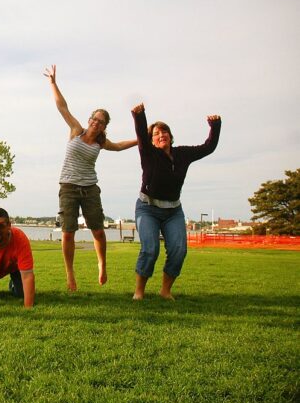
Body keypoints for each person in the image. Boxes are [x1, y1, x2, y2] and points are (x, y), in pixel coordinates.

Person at [44, 65, 137, 291]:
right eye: (94, 118)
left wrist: (140, 140)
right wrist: (53, 83)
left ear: (105, 126)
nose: (96, 122)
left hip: (90, 188)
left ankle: (102, 264)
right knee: (68, 232)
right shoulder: (76, 130)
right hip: (68, 187)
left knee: (98, 230)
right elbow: (62, 107)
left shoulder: (101, 143)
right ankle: (70, 274)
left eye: (101, 121)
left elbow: (119, 146)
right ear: (90, 119)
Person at [131, 103, 221, 300]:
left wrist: (215, 126)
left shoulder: (182, 154)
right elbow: (140, 134)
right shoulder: (148, 153)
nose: (161, 135)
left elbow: (209, 147)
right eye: (156, 134)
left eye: (165, 132)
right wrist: (139, 115)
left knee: (179, 249)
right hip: (147, 208)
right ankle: (139, 292)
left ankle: (165, 290)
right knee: (150, 249)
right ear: (151, 140)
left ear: (171, 137)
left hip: (173, 211)